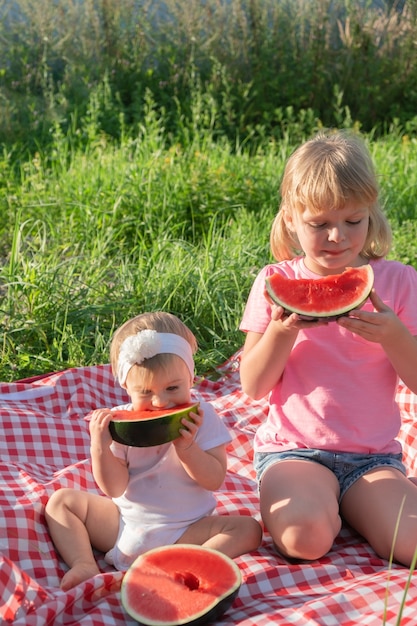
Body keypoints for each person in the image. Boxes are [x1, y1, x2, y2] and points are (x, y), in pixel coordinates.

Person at [239, 129, 417, 567]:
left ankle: (351, 505)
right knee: (304, 538)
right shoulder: (274, 281)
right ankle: (325, 509)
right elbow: (253, 385)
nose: (337, 236)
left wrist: (394, 336)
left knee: (413, 546)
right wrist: (283, 332)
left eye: (353, 221)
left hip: (373, 460)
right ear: (291, 219)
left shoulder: (397, 281)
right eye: (320, 224)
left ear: (371, 214)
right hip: (293, 451)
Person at [46, 311, 262, 590]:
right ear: (126, 386)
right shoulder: (120, 423)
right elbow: (113, 488)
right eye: (145, 393)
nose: (160, 402)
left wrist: (188, 449)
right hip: (124, 526)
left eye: (173, 388)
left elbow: (214, 479)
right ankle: (84, 564)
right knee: (61, 501)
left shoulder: (203, 417)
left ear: (191, 376)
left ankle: (185, 567)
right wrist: (99, 447)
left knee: (249, 529)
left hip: (187, 532)